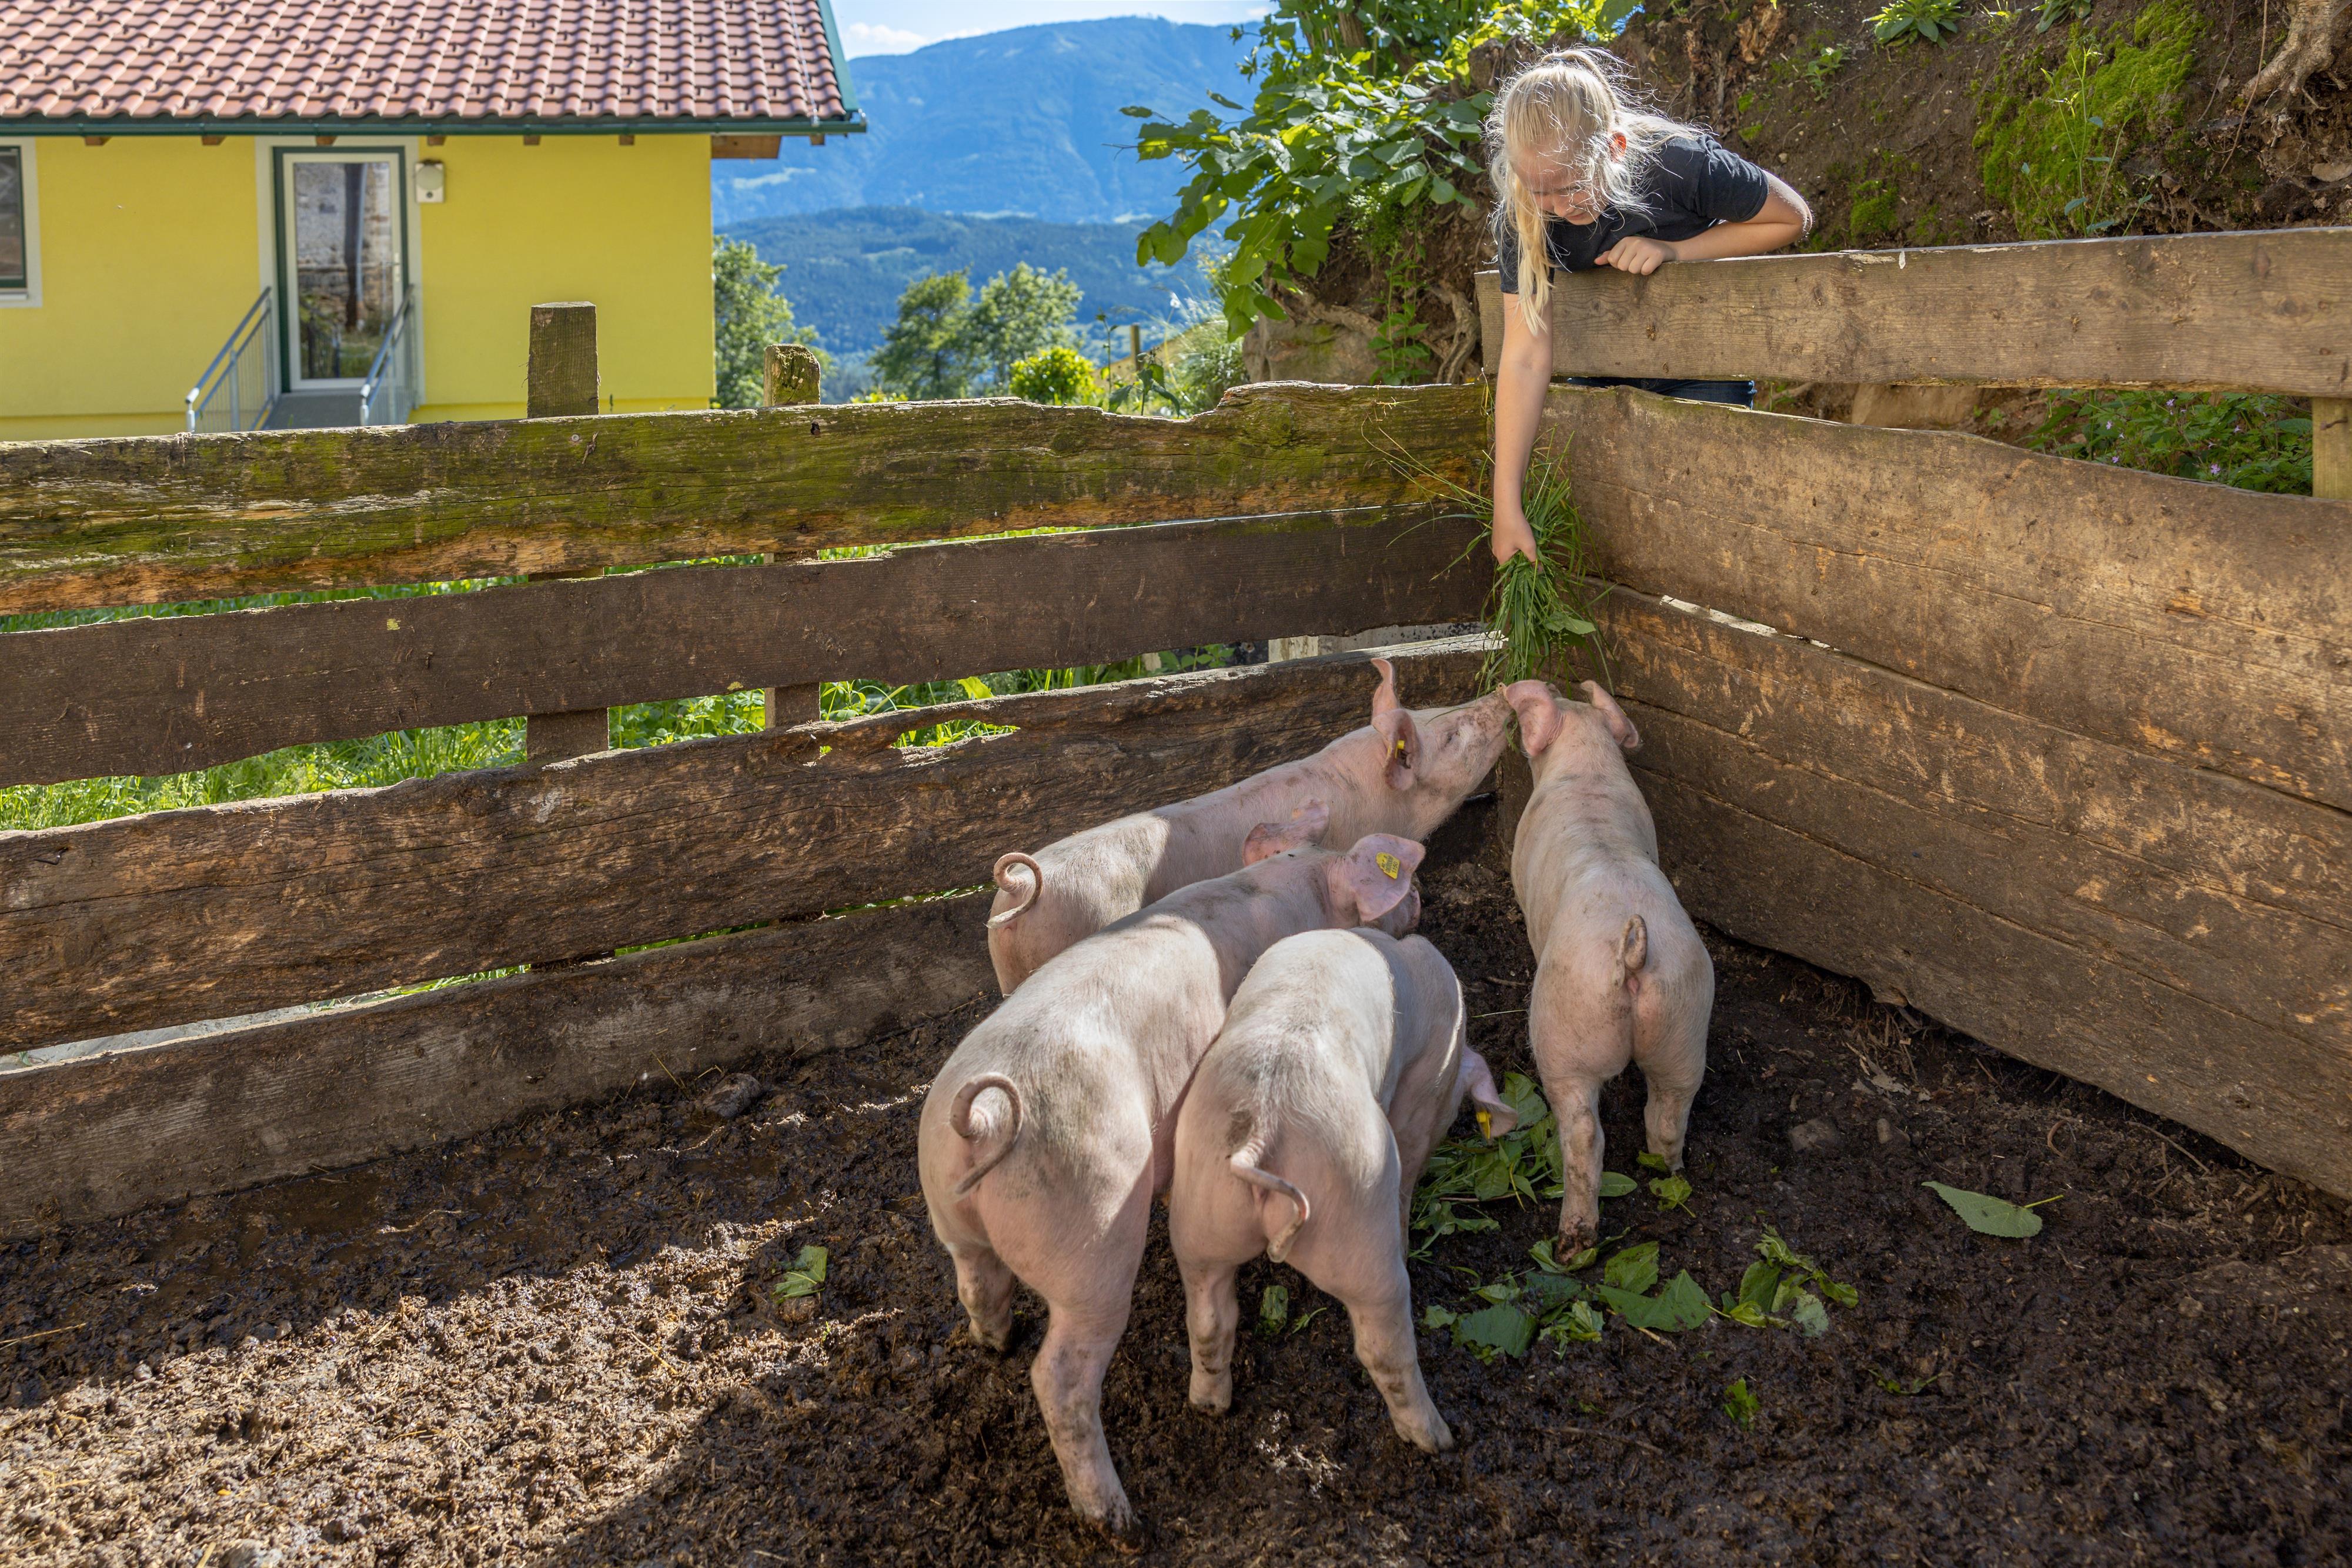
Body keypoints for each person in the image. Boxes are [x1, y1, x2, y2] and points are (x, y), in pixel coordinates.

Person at [1486, 48, 1812, 564]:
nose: (1558, 208)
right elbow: (1524, 356)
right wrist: (1506, 504)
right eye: (1539, 192)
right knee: (1614, 541)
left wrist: (1675, 251)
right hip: (1602, 377)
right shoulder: (1523, 214)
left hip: (1703, 368)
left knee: (1712, 534)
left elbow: (1792, 217)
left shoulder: (1678, 163)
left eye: (1571, 187)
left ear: (1614, 148)